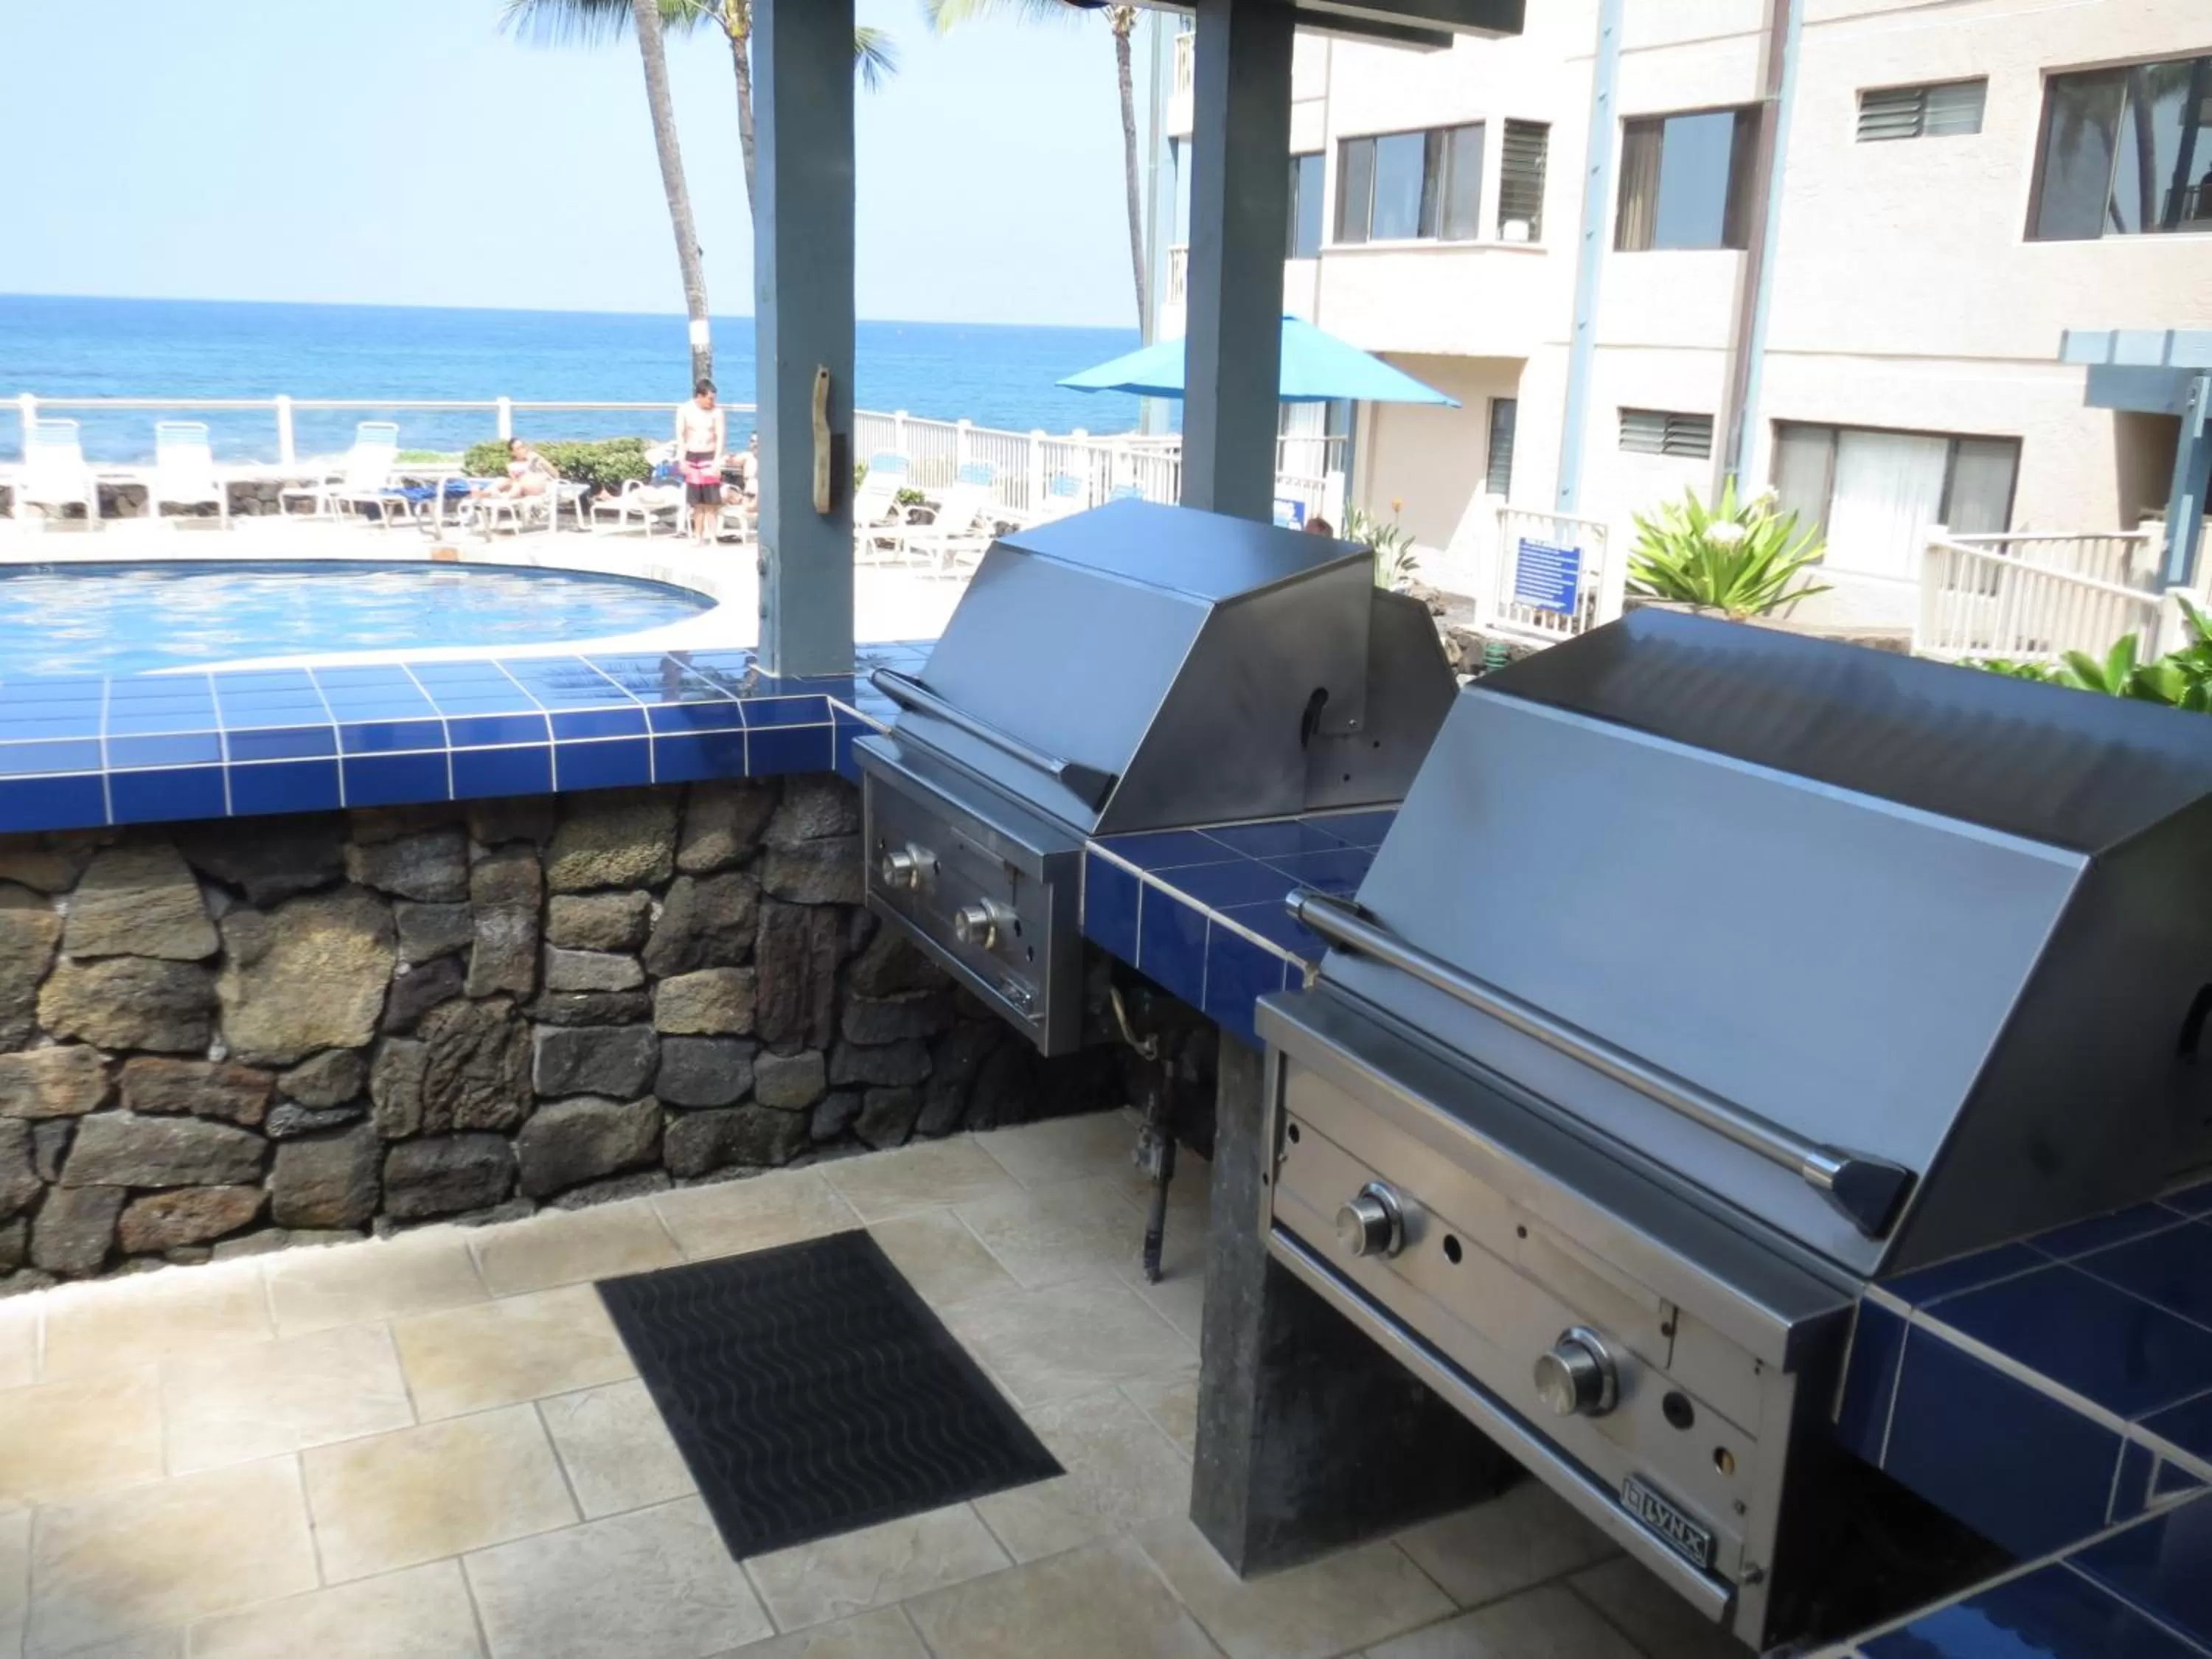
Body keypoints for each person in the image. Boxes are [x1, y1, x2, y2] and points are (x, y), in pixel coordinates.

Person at [675, 379, 728, 543]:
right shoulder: (685, 410)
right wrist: (681, 459)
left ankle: (712, 537)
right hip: (692, 456)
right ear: (699, 396)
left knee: (711, 502)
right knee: (696, 502)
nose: (712, 402)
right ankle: (698, 537)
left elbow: (720, 437)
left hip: (709, 455)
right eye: (709, 399)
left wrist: (717, 460)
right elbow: (680, 435)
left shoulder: (717, 412)